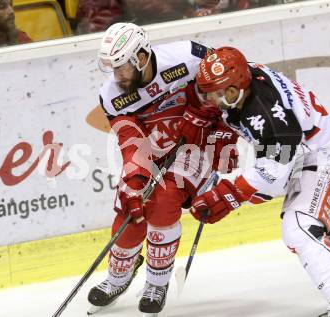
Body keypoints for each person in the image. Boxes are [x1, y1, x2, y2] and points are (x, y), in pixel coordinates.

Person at [189, 47, 330, 316]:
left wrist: (230, 193)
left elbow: (277, 166)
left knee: (299, 228)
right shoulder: (245, 82)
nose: (214, 100)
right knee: (325, 247)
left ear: (238, 86)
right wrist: (238, 189)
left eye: (220, 93)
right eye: (210, 92)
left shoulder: (268, 114)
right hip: (307, 155)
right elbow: (274, 169)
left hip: (327, 156)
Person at [87, 23, 238, 316]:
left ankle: (157, 283)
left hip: (194, 144)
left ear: (141, 58)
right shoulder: (112, 95)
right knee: (129, 210)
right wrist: (135, 176)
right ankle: (118, 277)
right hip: (152, 148)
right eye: (112, 69)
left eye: (121, 68)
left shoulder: (188, 56)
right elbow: (130, 139)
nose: (116, 76)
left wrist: (216, 122)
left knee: (164, 201)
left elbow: (225, 80)